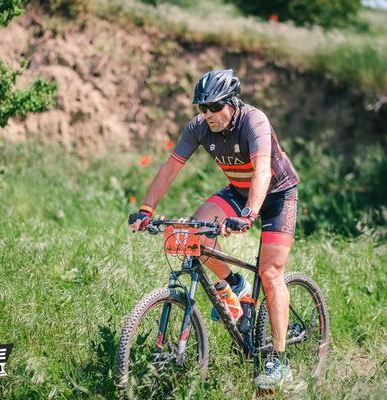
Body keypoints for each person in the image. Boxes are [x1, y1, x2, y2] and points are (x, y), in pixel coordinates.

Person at [128, 69, 300, 391]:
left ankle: (279, 361)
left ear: (232, 103)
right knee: (194, 234)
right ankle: (235, 285)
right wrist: (147, 210)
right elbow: (170, 168)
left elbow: (263, 170)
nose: (209, 114)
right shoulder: (198, 127)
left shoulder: (254, 121)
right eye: (203, 107)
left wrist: (249, 214)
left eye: (215, 106)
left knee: (270, 273)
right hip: (239, 190)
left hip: (278, 195)